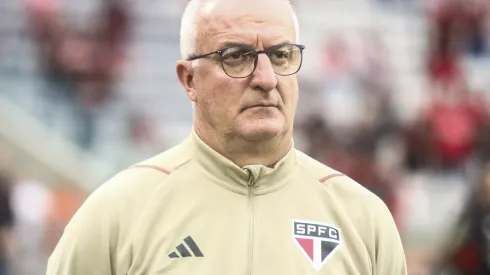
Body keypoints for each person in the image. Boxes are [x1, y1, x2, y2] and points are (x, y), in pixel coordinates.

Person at [46, 0, 407, 274]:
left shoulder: (364, 219)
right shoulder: (117, 213)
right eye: (236, 56)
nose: (266, 78)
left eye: (282, 55)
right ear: (189, 79)